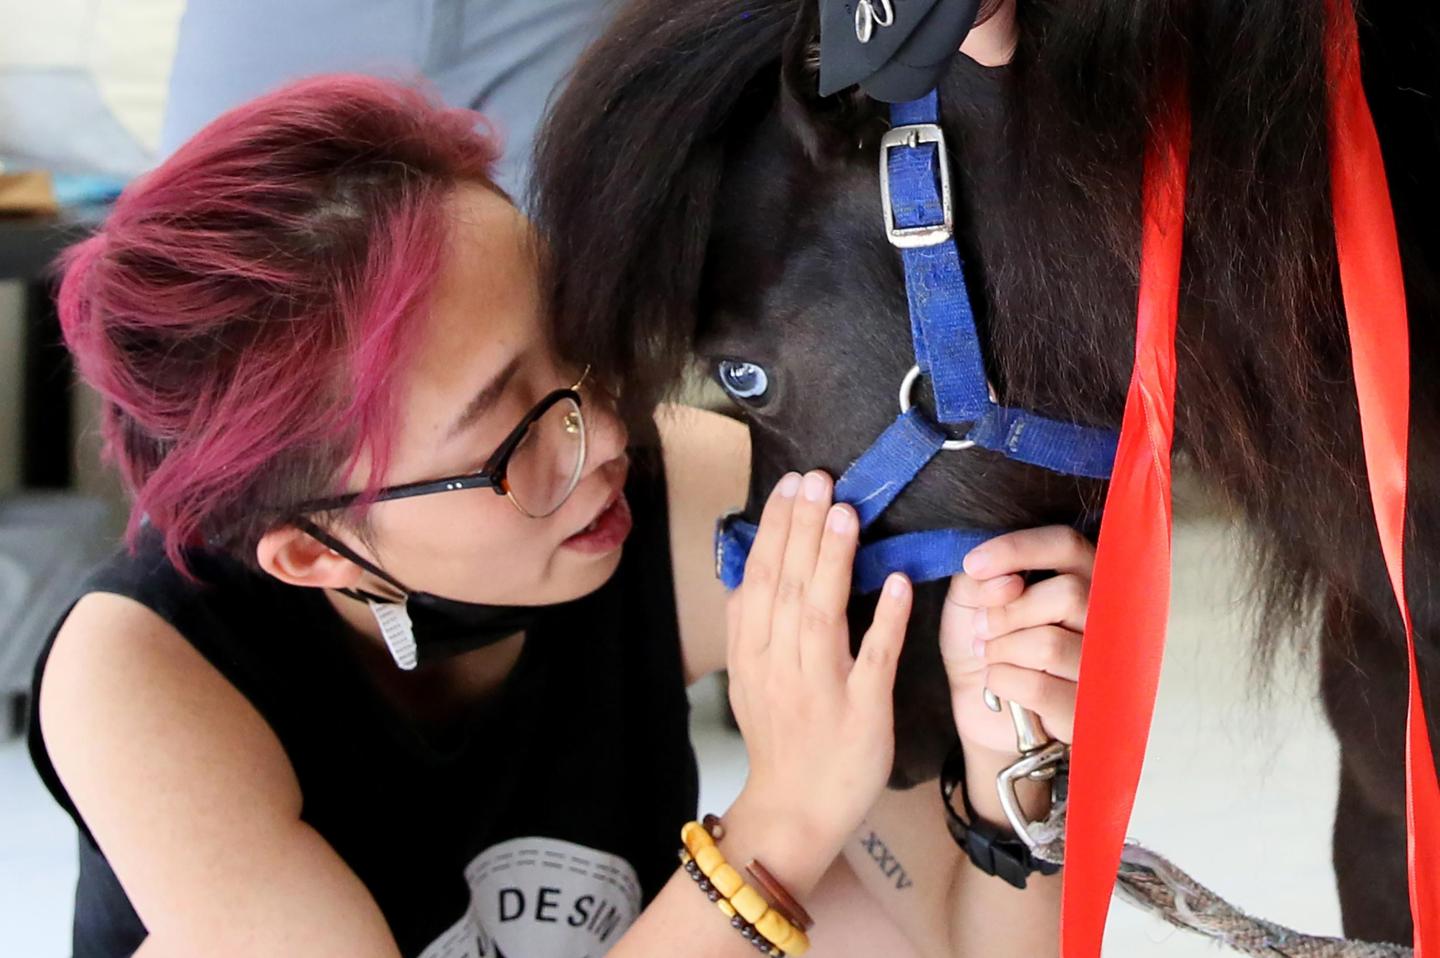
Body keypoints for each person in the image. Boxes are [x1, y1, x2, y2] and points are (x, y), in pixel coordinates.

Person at [29, 74, 1093, 958]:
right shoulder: (141, 673)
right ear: (315, 551)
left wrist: (1009, 769)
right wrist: (784, 817)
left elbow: (967, 943)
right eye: (514, 433)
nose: (610, 432)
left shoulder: (689, 497)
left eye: (579, 336)